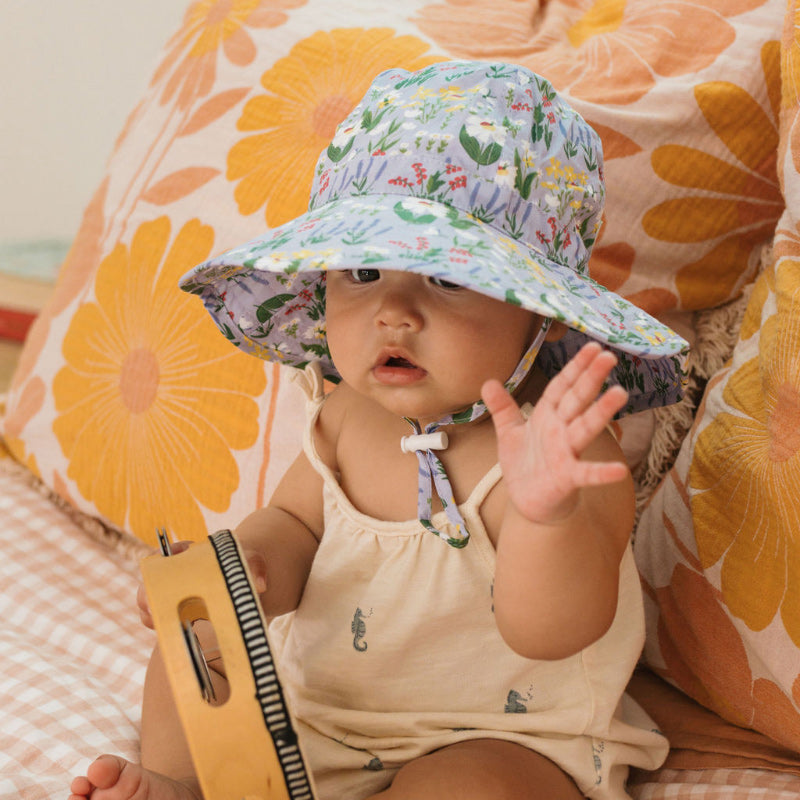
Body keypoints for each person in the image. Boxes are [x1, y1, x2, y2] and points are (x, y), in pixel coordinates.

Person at [70, 60, 688, 800]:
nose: (394, 313)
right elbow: (295, 524)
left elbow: (550, 632)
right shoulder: (344, 417)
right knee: (192, 653)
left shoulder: (560, 449)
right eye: (362, 273)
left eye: (447, 278)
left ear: (541, 311)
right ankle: (182, 786)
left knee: (479, 790)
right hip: (318, 717)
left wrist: (544, 516)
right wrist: (245, 572)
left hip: (500, 737)